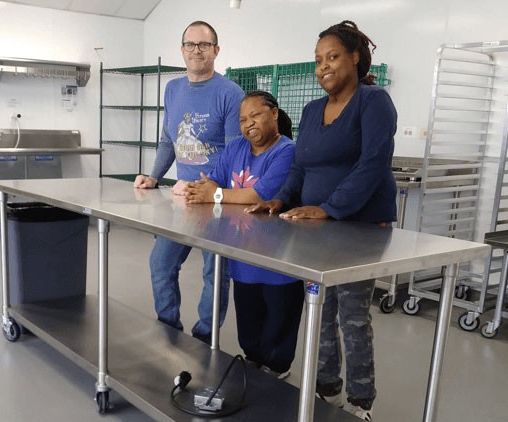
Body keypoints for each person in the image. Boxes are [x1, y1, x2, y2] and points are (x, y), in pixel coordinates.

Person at [246, 20, 397, 421]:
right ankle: (326, 388)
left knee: (351, 313)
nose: (323, 67)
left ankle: (361, 401)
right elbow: (300, 166)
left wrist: (329, 207)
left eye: (332, 57)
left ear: (355, 57)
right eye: (317, 60)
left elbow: (373, 164)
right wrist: (279, 199)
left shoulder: (374, 101)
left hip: (362, 225)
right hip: (316, 228)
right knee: (320, 309)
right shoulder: (313, 110)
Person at [133, 21, 245, 344]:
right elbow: (168, 139)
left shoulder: (230, 94)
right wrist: (154, 176)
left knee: (215, 273)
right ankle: (168, 328)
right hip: (182, 202)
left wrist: (209, 189)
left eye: (204, 45)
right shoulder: (173, 89)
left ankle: (204, 337)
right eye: (191, 45)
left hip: (215, 203)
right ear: (182, 50)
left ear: (216, 51)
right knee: (161, 263)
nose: (197, 50)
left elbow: (233, 153)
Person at [185, 91, 302, 379]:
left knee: (278, 320)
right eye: (242, 119)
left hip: (278, 258)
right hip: (242, 253)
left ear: (274, 114)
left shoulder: (286, 151)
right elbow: (214, 179)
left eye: (256, 115)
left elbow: (260, 193)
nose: (249, 124)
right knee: (249, 319)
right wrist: (205, 191)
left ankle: (277, 371)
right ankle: (253, 361)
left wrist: (216, 195)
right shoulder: (236, 147)